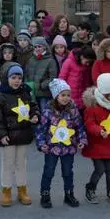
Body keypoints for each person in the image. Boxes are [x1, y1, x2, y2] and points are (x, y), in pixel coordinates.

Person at [0, 65, 38, 207]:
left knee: (21, 163)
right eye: (13, 78)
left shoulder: (25, 93)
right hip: (7, 137)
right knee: (7, 164)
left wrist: (34, 115)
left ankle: (22, 189)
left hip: (23, 134)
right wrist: (1, 134)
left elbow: (33, 106)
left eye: (19, 78)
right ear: (6, 78)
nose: (17, 81)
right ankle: (6, 190)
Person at [36, 78, 86, 209]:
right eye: (63, 95)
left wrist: (81, 140)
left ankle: (69, 194)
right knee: (49, 171)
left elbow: (79, 127)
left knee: (68, 172)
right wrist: (41, 144)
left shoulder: (73, 110)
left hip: (68, 148)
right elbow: (41, 129)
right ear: (56, 96)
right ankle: (45, 194)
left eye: (68, 95)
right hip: (52, 148)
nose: (66, 98)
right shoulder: (48, 111)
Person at [82, 73, 110, 204]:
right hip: (97, 145)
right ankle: (90, 188)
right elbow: (89, 124)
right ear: (105, 93)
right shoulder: (92, 107)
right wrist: (99, 131)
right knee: (100, 169)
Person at [59, 46, 96, 114]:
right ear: (82, 56)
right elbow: (62, 78)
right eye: (87, 61)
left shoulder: (87, 67)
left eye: (90, 62)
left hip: (82, 97)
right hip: (70, 96)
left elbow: (87, 82)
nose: (88, 64)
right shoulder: (69, 62)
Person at [26, 36, 57, 110]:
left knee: (44, 112)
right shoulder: (31, 60)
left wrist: (43, 85)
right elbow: (27, 74)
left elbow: (53, 77)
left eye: (39, 46)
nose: (37, 49)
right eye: (35, 47)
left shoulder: (50, 60)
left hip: (44, 94)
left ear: (44, 47)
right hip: (32, 93)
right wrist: (27, 86)